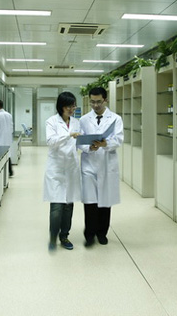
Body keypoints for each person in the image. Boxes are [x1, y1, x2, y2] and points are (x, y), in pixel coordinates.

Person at [78, 87, 124, 247]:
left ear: (106, 100)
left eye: (98, 102)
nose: (95, 105)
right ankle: (89, 234)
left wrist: (105, 144)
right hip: (89, 164)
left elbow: (119, 139)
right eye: (92, 102)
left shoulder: (115, 119)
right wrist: (89, 147)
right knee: (90, 201)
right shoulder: (84, 119)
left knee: (105, 200)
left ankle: (102, 233)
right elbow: (79, 141)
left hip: (107, 163)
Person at [43, 92, 81, 251]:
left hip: (71, 168)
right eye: (69, 106)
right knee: (57, 206)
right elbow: (51, 141)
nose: (72, 109)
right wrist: (68, 135)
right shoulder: (51, 121)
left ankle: (64, 236)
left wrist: (91, 146)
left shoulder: (76, 122)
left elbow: (79, 143)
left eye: (74, 106)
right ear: (61, 106)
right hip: (56, 168)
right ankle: (53, 236)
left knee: (68, 205)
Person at [0, 100, 14, 176]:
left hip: (0, 139)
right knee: (7, 154)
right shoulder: (9, 115)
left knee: (0, 156)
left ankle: (3, 172)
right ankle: (10, 171)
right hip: (8, 138)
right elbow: (11, 127)